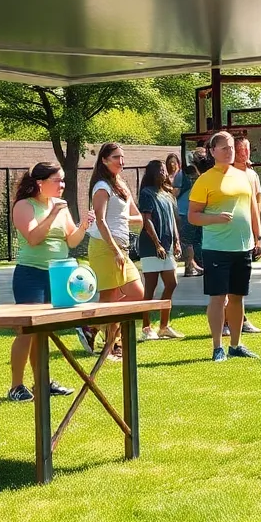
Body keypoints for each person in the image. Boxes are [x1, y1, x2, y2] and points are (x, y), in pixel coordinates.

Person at [7, 161, 93, 402]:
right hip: (30, 274)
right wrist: (53, 213)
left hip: (57, 276)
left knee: (43, 332)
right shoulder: (24, 206)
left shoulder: (60, 206)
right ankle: (16, 386)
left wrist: (84, 225)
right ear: (40, 183)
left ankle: (42, 382)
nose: (62, 185)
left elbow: (72, 241)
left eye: (63, 180)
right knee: (27, 332)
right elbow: (33, 238)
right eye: (58, 180)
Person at [190, 132, 261, 362]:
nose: (229, 151)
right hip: (216, 248)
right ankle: (217, 347)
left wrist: (258, 237)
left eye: (231, 147)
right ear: (212, 152)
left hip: (242, 247)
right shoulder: (205, 180)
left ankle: (236, 345)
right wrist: (214, 218)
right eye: (223, 148)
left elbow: (252, 208)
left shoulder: (243, 176)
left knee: (238, 297)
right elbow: (192, 216)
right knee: (218, 297)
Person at [76, 142, 145, 363]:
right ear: (104, 160)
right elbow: (101, 220)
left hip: (120, 247)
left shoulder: (121, 186)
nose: (121, 161)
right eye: (116, 157)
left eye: (122, 157)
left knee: (125, 296)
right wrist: (115, 250)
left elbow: (138, 218)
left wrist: (125, 220)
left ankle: (93, 327)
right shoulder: (102, 186)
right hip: (105, 247)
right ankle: (111, 345)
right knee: (118, 296)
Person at [138, 160, 183, 341]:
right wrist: (157, 244)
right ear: (152, 173)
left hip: (168, 246)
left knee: (171, 283)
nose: (164, 173)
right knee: (150, 287)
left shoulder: (167, 194)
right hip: (151, 247)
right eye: (160, 170)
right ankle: (146, 327)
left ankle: (164, 326)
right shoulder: (146, 194)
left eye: (164, 170)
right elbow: (146, 220)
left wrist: (177, 242)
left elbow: (172, 220)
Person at [226, 136, 261, 335]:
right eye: (242, 149)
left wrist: (257, 232)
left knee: (241, 280)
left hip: (248, 233)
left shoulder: (252, 175)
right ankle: (227, 320)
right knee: (227, 279)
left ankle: (240, 319)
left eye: (248, 149)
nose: (245, 153)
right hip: (229, 234)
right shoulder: (227, 175)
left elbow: (258, 201)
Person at [177, 149, 205, 276]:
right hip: (192, 211)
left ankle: (194, 265)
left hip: (189, 211)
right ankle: (194, 265)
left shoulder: (185, 173)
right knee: (193, 240)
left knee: (191, 240)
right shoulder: (191, 174)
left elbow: (175, 192)